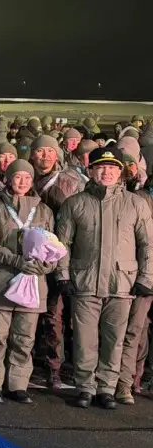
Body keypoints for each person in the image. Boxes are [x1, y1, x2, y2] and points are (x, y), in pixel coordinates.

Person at [56, 146, 153, 409]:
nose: (106, 172)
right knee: (84, 340)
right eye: (100, 167)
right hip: (85, 282)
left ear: (121, 172)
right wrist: (63, 275)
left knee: (114, 339)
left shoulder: (136, 203)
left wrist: (146, 277)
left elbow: (148, 245)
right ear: (90, 171)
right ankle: (85, 387)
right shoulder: (74, 203)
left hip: (123, 283)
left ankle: (107, 388)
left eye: (112, 168)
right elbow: (63, 244)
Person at [0, 159, 55, 404]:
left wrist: (46, 265)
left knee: (24, 338)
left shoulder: (44, 211)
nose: (22, 182)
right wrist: (14, 260)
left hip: (32, 281)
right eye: (17, 177)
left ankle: (18, 385)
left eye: (27, 177)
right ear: (9, 179)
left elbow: (53, 246)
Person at [30, 134, 86, 388]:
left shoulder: (70, 181)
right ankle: (35, 363)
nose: (45, 156)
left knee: (57, 315)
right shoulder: (25, 178)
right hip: (34, 256)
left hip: (62, 256)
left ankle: (56, 368)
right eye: (40, 151)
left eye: (50, 151)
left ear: (57, 155)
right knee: (34, 314)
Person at [118, 154, 153, 404]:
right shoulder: (140, 199)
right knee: (133, 330)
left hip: (143, 274)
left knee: (136, 330)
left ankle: (132, 379)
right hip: (138, 274)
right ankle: (128, 381)